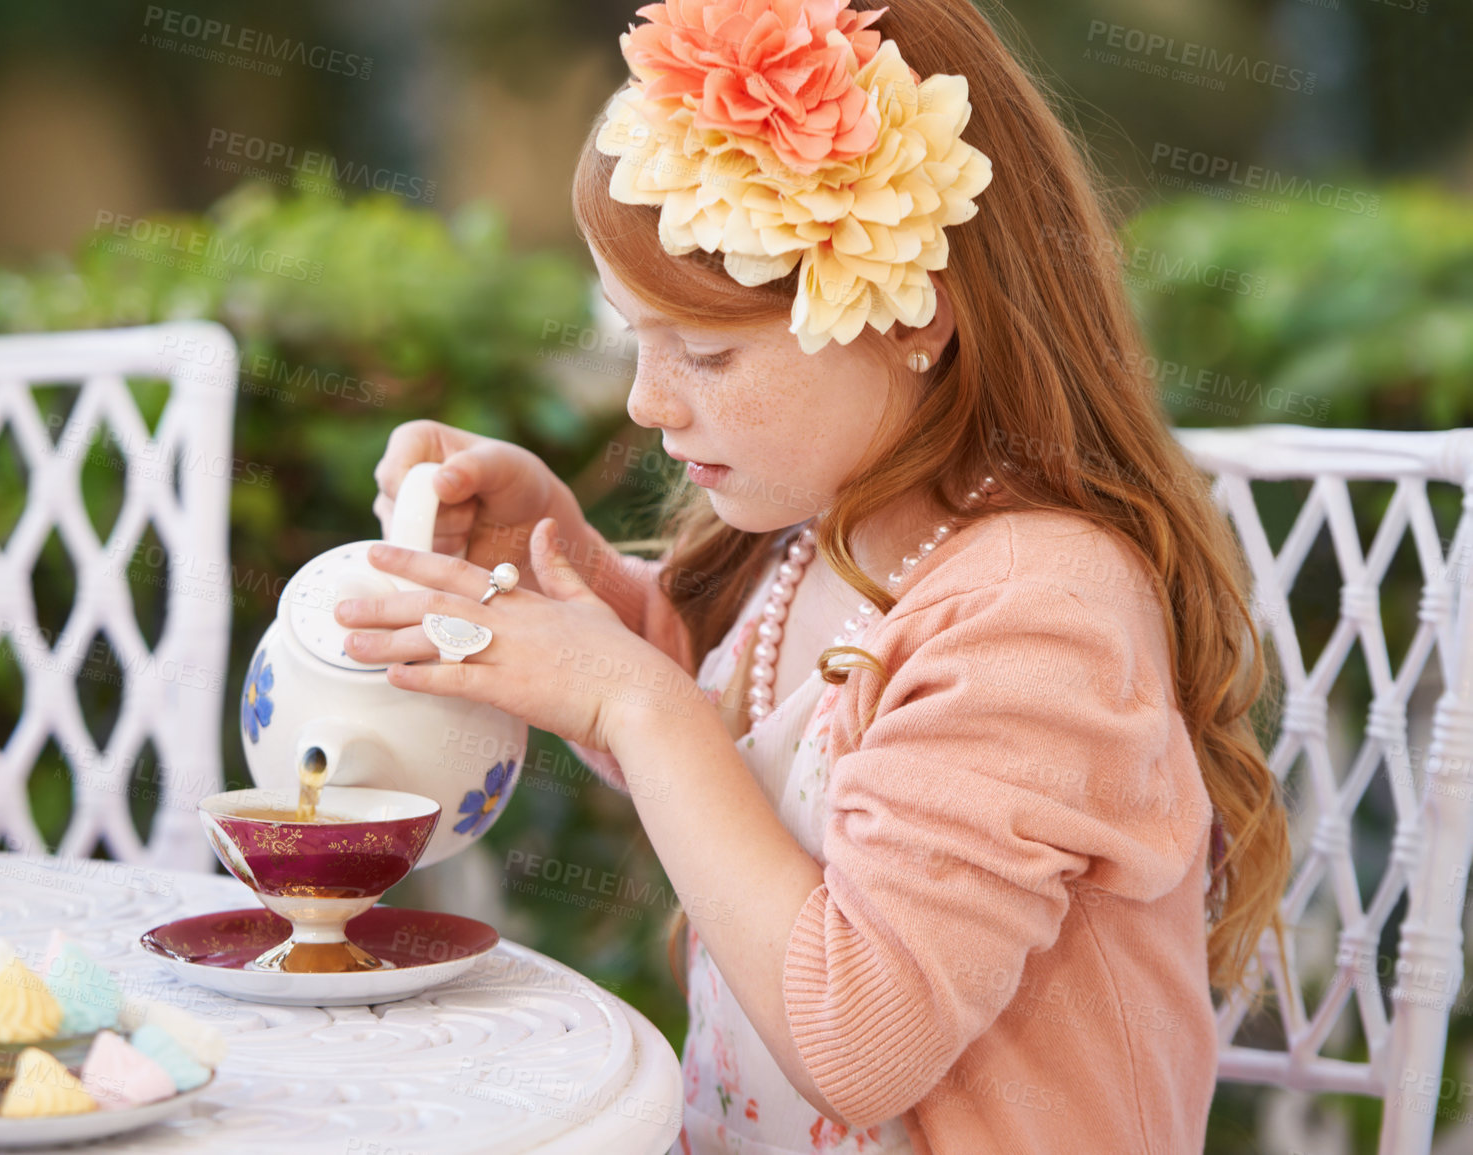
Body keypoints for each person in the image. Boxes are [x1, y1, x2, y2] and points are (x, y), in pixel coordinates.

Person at [334, 1, 1291, 1151]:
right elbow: (749, 734)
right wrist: (565, 577)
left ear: (913, 314)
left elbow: (855, 1038)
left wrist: (629, 700)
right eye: (629, 334)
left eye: (707, 351)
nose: (648, 401)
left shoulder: (1040, 616)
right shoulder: (825, 536)